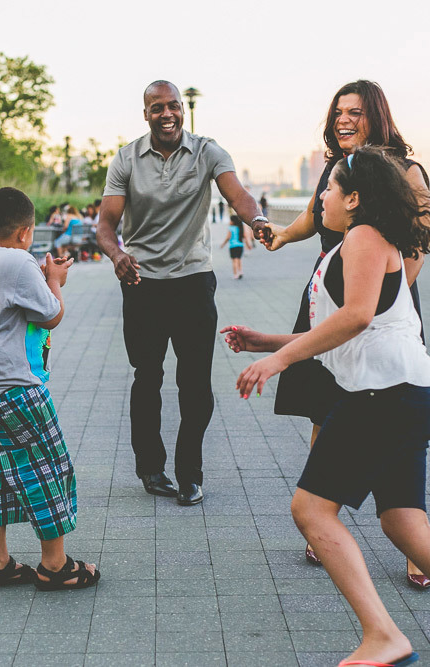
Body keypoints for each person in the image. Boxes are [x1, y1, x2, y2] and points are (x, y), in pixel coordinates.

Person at [225, 147, 430, 667]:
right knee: (404, 524)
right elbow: (347, 325)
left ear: (354, 197)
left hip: (381, 397)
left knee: (311, 509)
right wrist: (266, 341)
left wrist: (279, 360)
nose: (321, 196)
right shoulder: (356, 240)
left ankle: (383, 637)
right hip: (407, 395)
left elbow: (358, 318)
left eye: (329, 188)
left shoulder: (365, 237)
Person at [259, 80, 430, 587]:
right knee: (324, 409)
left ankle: (415, 545)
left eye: (355, 112)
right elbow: (314, 218)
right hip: (330, 302)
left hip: (378, 309)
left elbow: (416, 249)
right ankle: (321, 525)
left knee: (395, 417)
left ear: (377, 116)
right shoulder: (337, 171)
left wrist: (381, 305)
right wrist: (281, 237)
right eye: (338, 112)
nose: (344, 119)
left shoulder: (405, 171)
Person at [96, 80, 271, 506]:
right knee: (147, 377)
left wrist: (258, 220)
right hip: (142, 284)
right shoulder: (125, 159)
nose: (167, 114)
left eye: (173, 106)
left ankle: (189, 473)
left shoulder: (208, 151)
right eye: (157, 108)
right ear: (145, 114)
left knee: (194, 382)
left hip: (193, 281)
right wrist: (117, 255)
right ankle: (151, 468)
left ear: (182, 110)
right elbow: (105, 225)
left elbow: (238, 195)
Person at [0, 187, 99, 592]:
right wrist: (55, 280)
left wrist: (39, 274)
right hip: (12, 390)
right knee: (46, 468)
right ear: (24, 232)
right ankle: (56, 566)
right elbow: (51, 315)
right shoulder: (18, 262)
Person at [220, 214, 254, 279]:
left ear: (233, 222)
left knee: (234, 261)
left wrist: (223, 244)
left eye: (230, 221)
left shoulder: (231, 228)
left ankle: (235, 274)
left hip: (233, 246)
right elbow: (245, 237)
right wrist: (248, 245)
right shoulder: (240, 227)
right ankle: (240, 271)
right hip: (240, 246)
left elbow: (228, 237)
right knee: (239, 259)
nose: (229, 222)